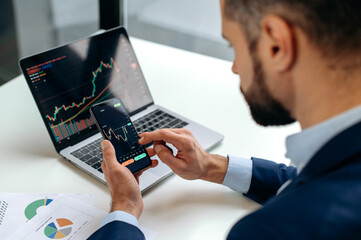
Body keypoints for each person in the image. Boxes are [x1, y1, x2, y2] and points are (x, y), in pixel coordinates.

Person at [89, 0, 361, 239]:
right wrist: (210, 166)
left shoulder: (269, 231)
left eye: (233, 45)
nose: (234, 68)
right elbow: (308, 180)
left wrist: (125, 207)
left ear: (277, 44)